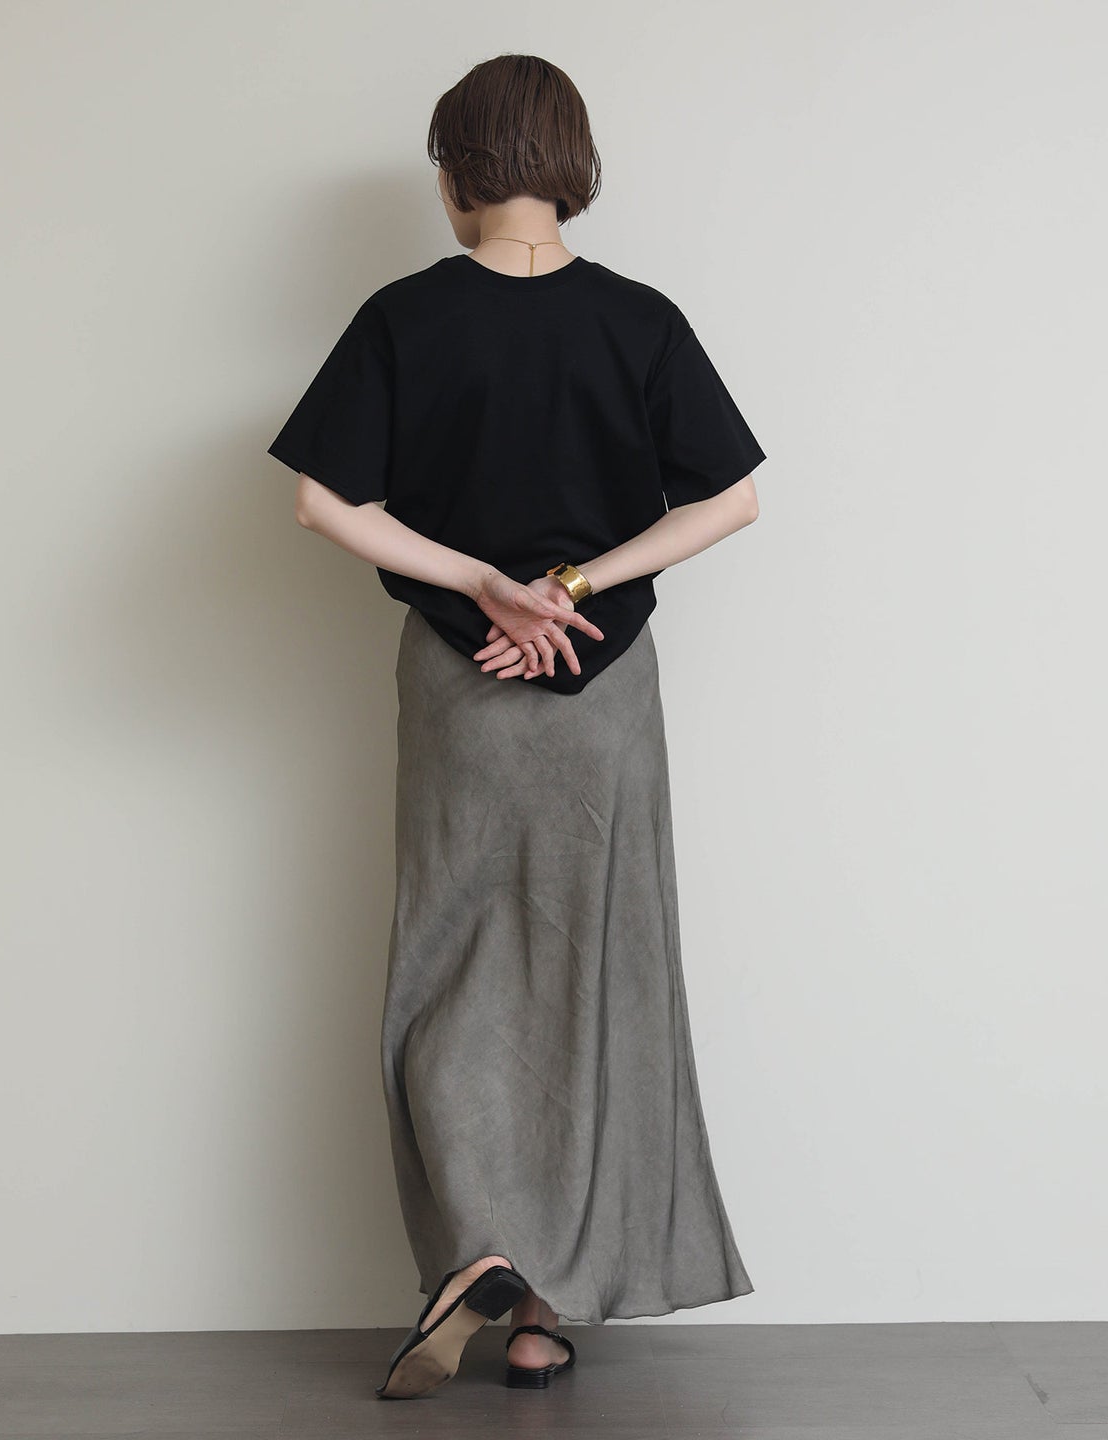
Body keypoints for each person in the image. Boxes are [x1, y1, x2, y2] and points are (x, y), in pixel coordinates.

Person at [266, 53, 766, 1401]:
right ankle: (542, 1315)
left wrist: (483, 581)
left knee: (450, 971)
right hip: (605, 698)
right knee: (594, 981)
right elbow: (731, 498)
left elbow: (323, 502)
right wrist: (575, 586)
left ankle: (478, 1245)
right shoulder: (639, 321)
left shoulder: (404, 318)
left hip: (459, 688)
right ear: (572, 164)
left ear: (457, 170)